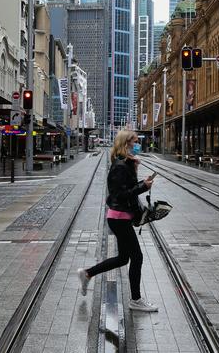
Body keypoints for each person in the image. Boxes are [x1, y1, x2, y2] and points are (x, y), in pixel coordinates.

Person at [77, 130, 158, 312]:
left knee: (123, 258)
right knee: (137, 257)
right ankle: (136, 300)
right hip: (119, 218)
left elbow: (126, 189)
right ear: (126, 143)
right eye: (135, 142)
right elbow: (119, 195)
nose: (137, 145)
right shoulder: (120, 166)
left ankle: (87, 273)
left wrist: (137, 175)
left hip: (121, 217)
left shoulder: (125, 164)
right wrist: (143, 187)